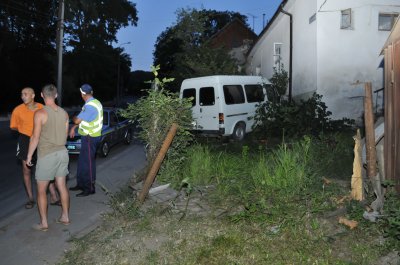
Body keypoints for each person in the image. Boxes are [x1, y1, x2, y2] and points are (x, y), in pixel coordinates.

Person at [26, 84, 70, 231]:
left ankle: (44, 223)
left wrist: (29, 156)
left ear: (41, 95)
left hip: (47, 155)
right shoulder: (64, 113)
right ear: (56, 95)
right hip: (63, 153)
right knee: (62, 186)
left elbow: (35, 138)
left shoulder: (40, 114)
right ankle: (65, 217)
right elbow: (64, 135)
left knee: (41, 191)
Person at [10, 87, 60, 209]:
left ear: (33, 95)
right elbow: (13, 127)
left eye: (25, 94)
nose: (23, 96)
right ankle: (31, 199)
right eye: (22, 94)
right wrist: (24, 130)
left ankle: (53, 196)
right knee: (26, 170)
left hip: (41, 140)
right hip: (25, 140)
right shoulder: (17, 110)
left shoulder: (41, 107)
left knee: (46, 168)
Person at [69, 84, 103, 197]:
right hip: (88, 137)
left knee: (87, 163)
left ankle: (89, 188)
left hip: (90, 138)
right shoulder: (93, 102)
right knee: (83, 162)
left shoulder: (90, 106)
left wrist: (73, 120)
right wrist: (74, 128)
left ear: (82, 94)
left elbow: (78, 120)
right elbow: (86, 120)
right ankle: (81, 183)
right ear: (91, 92)